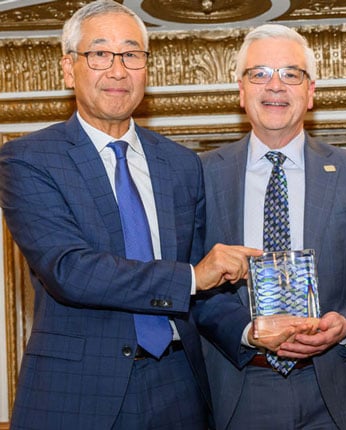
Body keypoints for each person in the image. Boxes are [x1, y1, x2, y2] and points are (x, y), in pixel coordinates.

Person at [0, 1, 260, 428]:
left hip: (178, 386)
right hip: (77, 393)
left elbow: (201, 291)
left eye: (132, 54)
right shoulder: (28, 159)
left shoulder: (181, 165)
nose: (118, 70)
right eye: (100, 53)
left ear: (146, 68)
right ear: (68, 69)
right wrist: (192, 277)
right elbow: (69, 270)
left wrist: (253, 333)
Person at [192, 24, 346, 430]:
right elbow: (193, 285)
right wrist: (247, 332)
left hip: (340, 388)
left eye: (291, 74)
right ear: (241, 91)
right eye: (260, 73)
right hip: (242, 389)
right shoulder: (202, 175)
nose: (275, 85)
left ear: (310, 92)